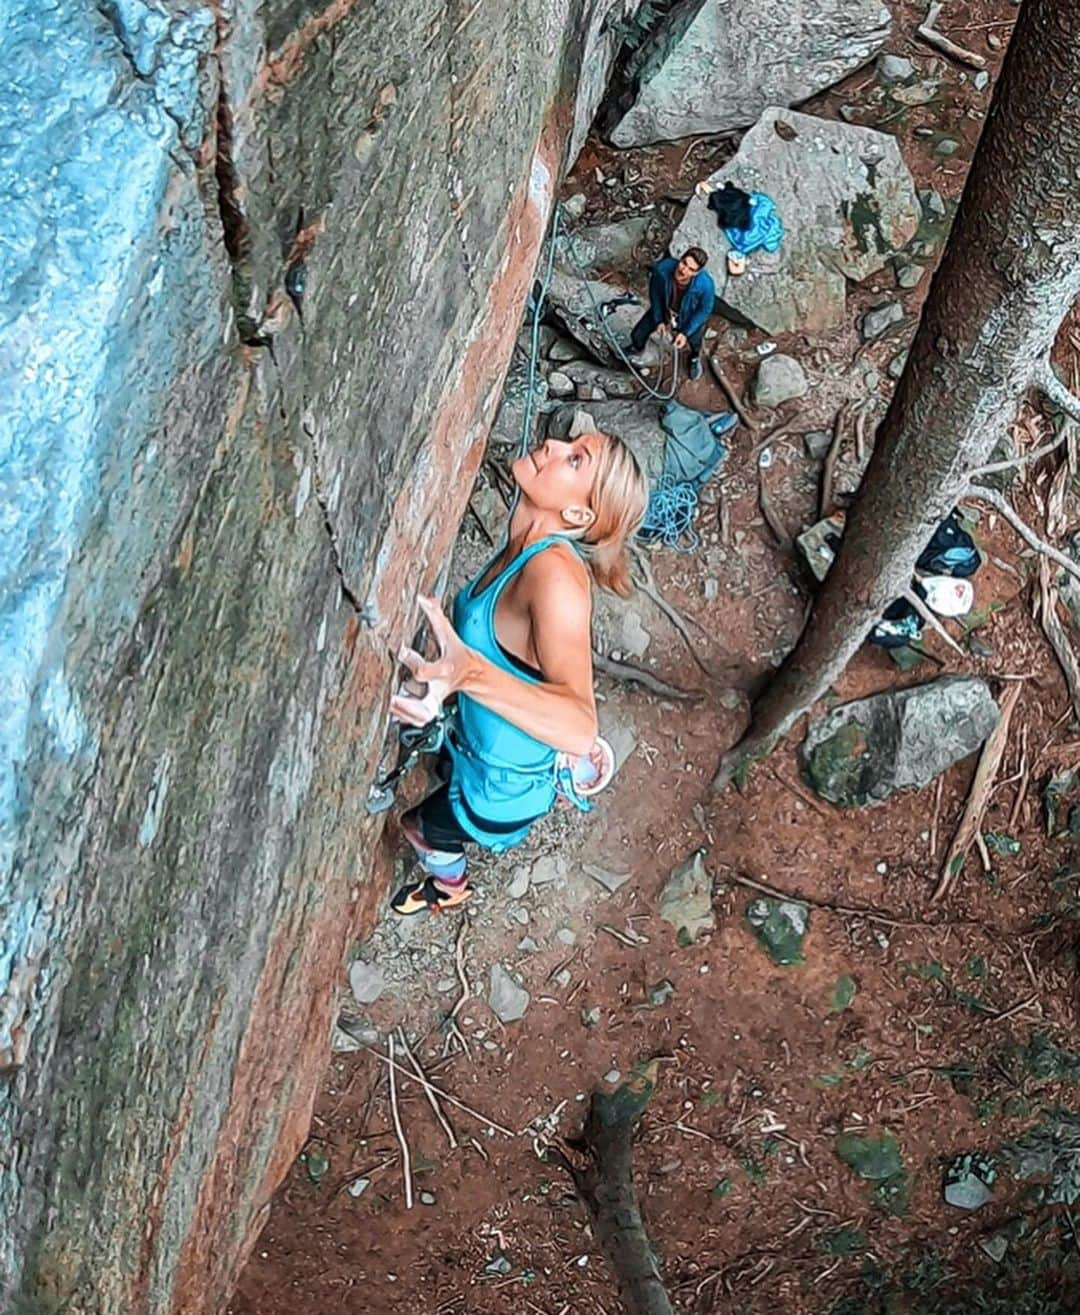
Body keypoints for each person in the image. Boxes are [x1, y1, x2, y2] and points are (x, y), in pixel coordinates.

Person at [387, 431, 648, 915]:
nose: (551, 443)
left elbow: (578, 726)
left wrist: (467, 674)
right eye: (568, 442)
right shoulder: (525, 542)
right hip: (479, 753)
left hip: (501, 794)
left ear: (577, 515)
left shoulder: (553, 577)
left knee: (418, 827)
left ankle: (449, 887)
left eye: (574, 459)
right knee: (443, 771)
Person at [629, 247, 715, 382]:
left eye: (691, 269)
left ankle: (693, 358)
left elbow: (704, 310)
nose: (683, 270)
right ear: (680, 259)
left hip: (689, 317)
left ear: (697, 273)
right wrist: (658, 320)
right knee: (638, 333)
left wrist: (686, 333)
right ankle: (636, 348)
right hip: (665, 308)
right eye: (684, 263)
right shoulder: (662, 269)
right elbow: (655, 294)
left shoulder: (706, 285)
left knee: (695, 342)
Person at [696, 180, 784, 276]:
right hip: (748, 232)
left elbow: (736, 270)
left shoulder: (744, 236)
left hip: (748, 238)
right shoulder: (756, 208)